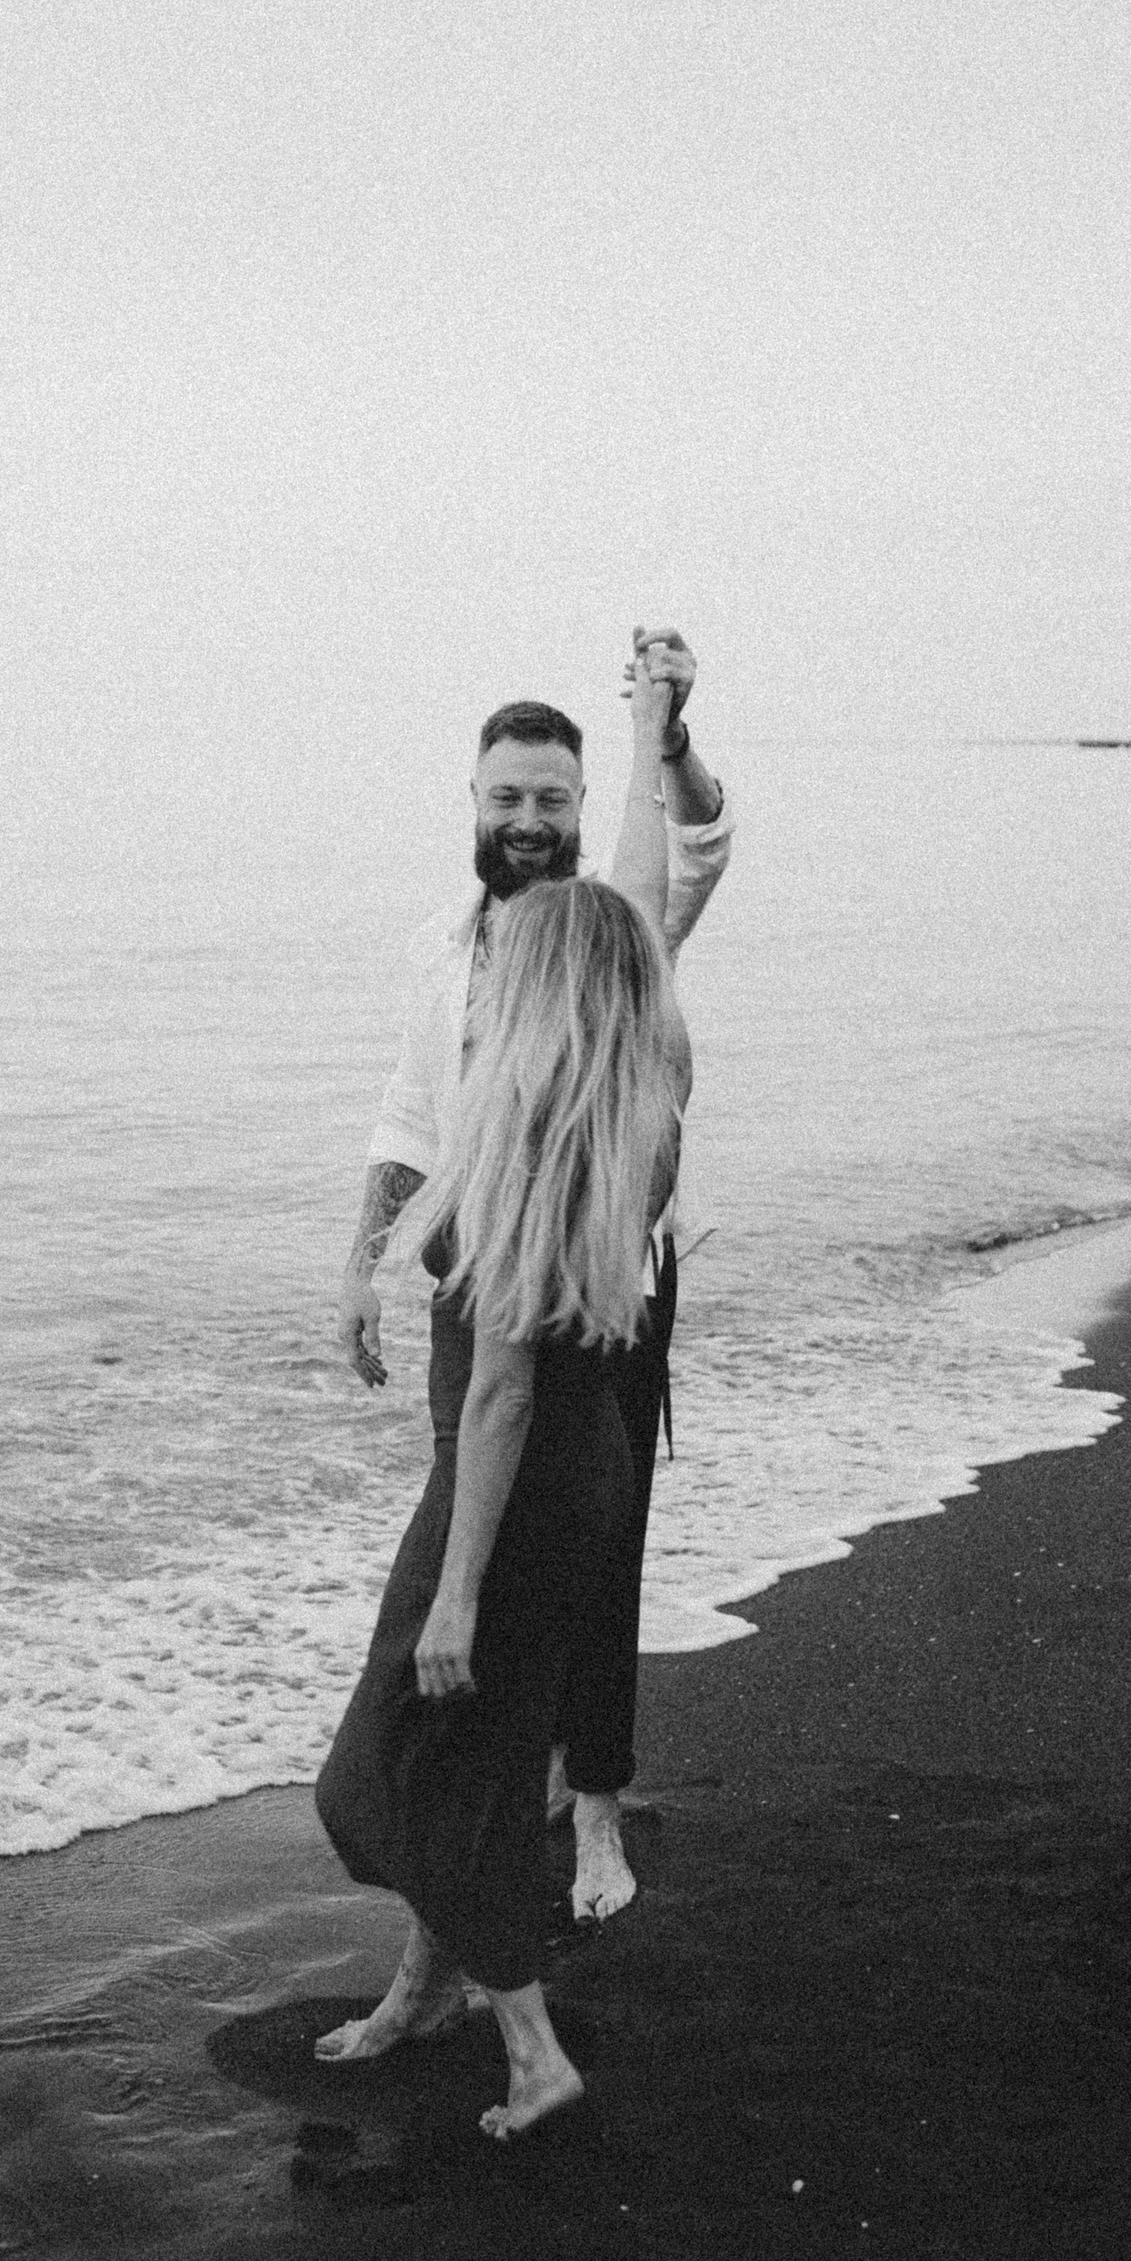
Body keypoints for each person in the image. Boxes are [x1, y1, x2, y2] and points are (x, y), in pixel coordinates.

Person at [314, 662, 692, 2139]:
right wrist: (649, 729)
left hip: (519, 1475)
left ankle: (531, 2044)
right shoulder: (636, 1088)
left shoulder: (529, 1156)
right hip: (576, 1463)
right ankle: (428, 1988)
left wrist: (458, 1590)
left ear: (538, 988)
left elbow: (499, 1398)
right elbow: (638, 897)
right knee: (474, 1759)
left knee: (377, 1778)